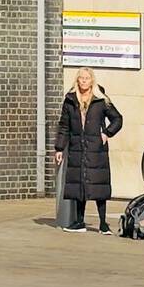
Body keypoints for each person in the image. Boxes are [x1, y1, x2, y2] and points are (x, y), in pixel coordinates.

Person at [55, 67, 123, 234]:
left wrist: (107, 133)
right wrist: (59, 148)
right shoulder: (70, 100)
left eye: (87, 78)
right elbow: (64, 125)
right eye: (81, 78)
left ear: (92, 80)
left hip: (96, 148)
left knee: (99, 185)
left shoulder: (101, 100)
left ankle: (103, 223)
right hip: (77, 147)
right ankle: (79, 222)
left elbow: (117, 119)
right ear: (77, 80)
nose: (84, 81)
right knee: (80, 185)